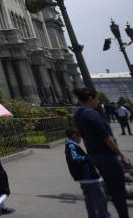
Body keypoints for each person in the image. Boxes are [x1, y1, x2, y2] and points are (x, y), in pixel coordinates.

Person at [74, 86, 131, 218]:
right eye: (97, 99)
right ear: (90, 98)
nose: (98, 101)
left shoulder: (77, 114)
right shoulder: (92, 113)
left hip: (94, 155)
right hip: (107, 155)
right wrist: (121, 155)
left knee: (109, 188)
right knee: (118, 190)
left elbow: (82, 137)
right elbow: (106, 138)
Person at [65, 127, 110, 218]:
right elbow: (75, 158)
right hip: (88, 177)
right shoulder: (71, 146)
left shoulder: (70, 145)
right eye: (80, 136)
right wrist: (88, 157)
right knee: (100, 200)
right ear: (75, 136)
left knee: (90, 201)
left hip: (85, 177)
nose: (81, 138)